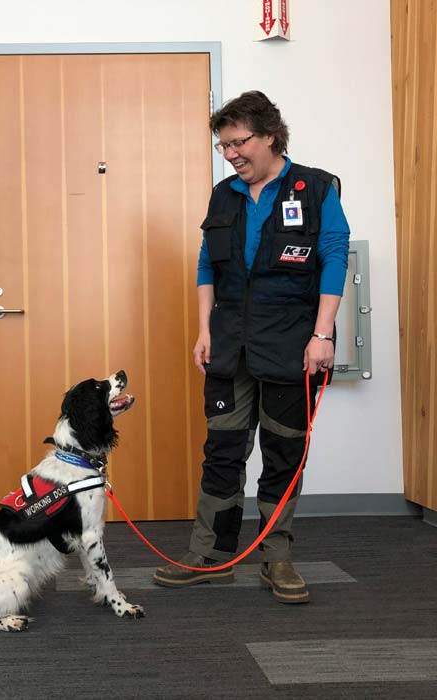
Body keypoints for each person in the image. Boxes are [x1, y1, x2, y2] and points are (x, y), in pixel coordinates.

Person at [153, 91, 350, 603]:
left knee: (283, 454)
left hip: (291, 344)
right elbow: (206, 265)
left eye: (239, 143)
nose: (231, 153)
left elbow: (333, 257)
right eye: (223, 146)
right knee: (221, 452)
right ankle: (210, 556)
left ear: (270, 135)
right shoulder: (224, 195)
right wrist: (204, 330)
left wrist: (322, 333)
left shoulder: (317, 187)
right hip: (230, 343)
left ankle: (276, 558)